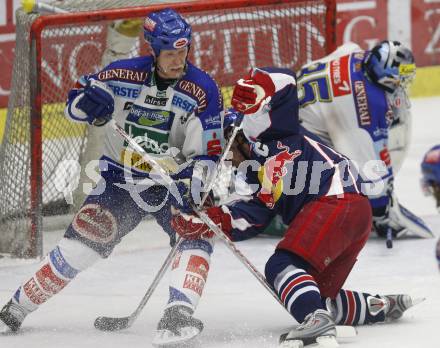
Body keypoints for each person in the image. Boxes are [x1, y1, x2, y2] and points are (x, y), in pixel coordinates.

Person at [0, 8, 223, 343]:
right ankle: (15, 309)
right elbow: (74, 106)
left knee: (196, 233)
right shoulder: (122, 74)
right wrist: (89, 103)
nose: (178, 61)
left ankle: (178, 314)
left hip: (174, 182)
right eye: (170, 54)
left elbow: (209, 152)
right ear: (152, 49)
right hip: (119, 179)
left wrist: (196, 183)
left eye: (183, 52)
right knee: (81, 246)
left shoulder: (203, 90)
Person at [170, 67, 420, 347]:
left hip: (336, 201)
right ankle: (378, 306)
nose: (226, 159)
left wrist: (255, 87)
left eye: (228, 149)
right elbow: (254, 216)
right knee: (312, 294)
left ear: (239, 135)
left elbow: (286, 83)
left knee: (281, 266)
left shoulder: (274, 137)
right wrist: (207, 223)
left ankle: (316, 320)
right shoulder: (257, 171)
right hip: (354, 213)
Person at [296, 40, 433, 242]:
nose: (402, 82)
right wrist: (381, 211)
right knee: (345, 176)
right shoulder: (361, 107)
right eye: (399, 76)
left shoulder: (357, 55)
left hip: (300, 111)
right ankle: (293, 207)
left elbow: (347, 47)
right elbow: (367, 171)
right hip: (293, 143)